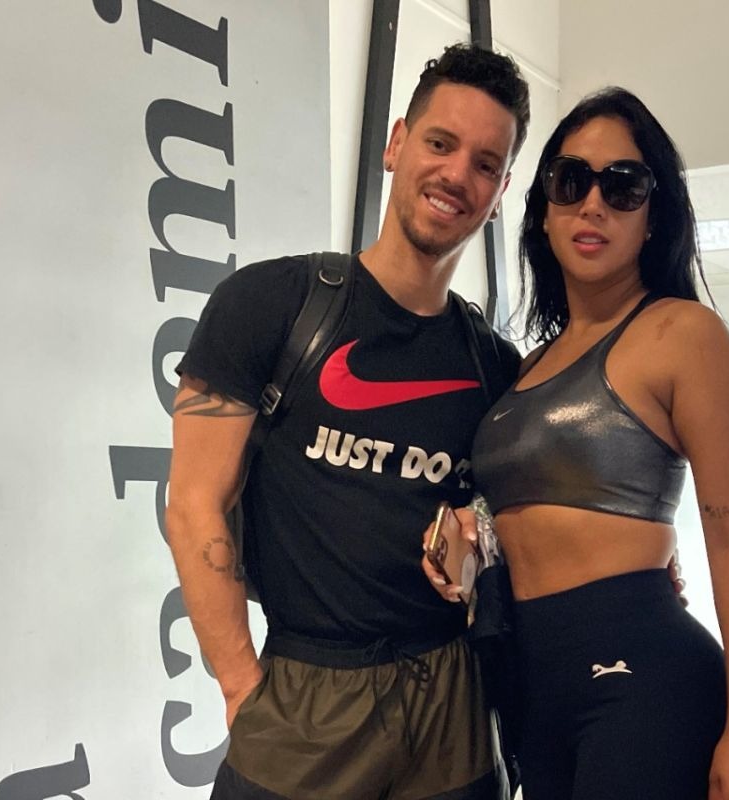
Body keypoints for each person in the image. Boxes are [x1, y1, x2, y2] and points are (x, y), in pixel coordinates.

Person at [166, 44, 530, 800]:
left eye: (485, 164)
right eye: (440, 143)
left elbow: (520, 516)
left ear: (500, 192)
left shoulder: (496, 364)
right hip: (306, 698)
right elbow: (194, 501)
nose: (457, 175)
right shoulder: (271, 304)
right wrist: (240, 686)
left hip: (452, 708)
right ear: (396, 144)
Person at [424, 87, 729, 800]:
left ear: (653, 215)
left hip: (644, 685)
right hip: (531, 688)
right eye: (571, 181)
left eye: (623, 186)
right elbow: (524, 514)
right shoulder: (526, 367)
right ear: (544, 209)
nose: (593, 205)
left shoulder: (683, 335)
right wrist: (469, 532)